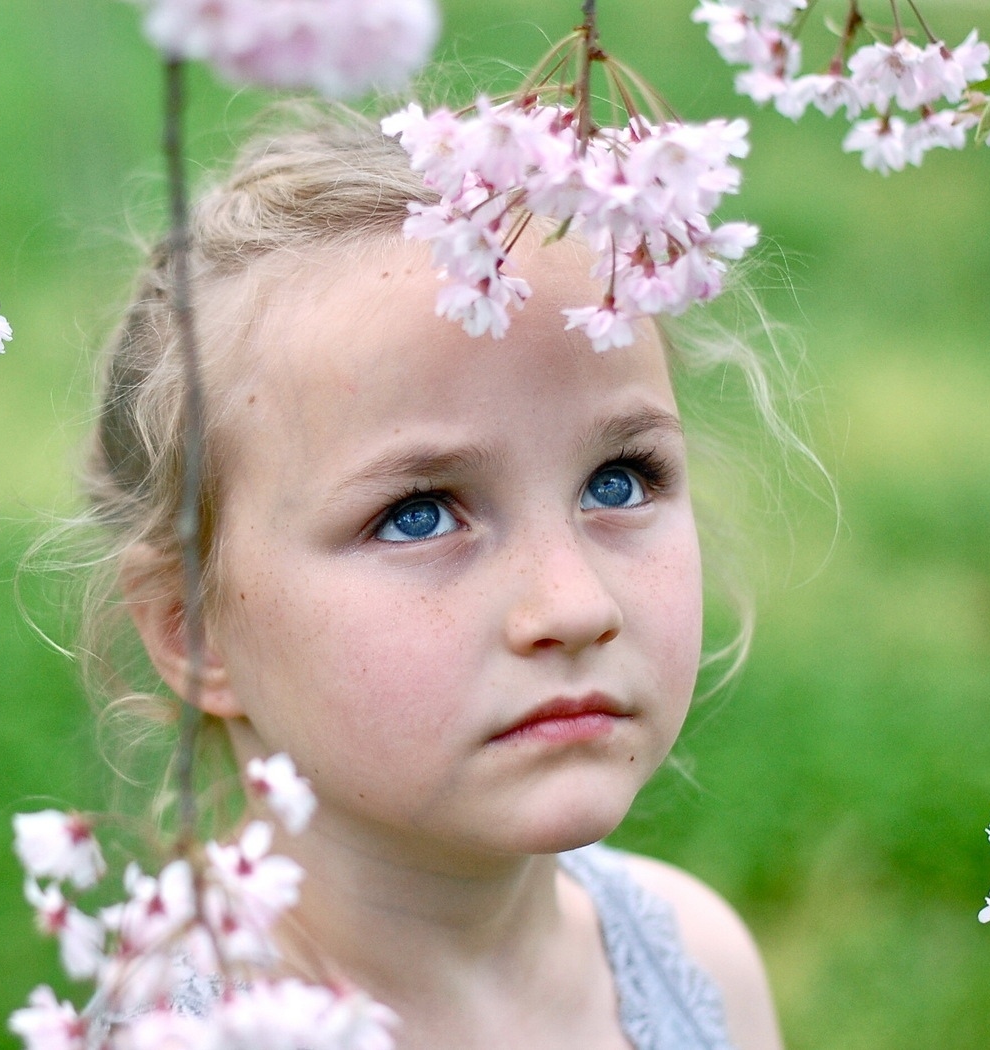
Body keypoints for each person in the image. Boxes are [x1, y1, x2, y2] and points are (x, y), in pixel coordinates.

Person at [74, 107, 787, 1050]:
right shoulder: (189, 1035)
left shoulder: (697, 964)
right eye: (419, 514)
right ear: (192, 627)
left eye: (619, 481)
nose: (577, 606)